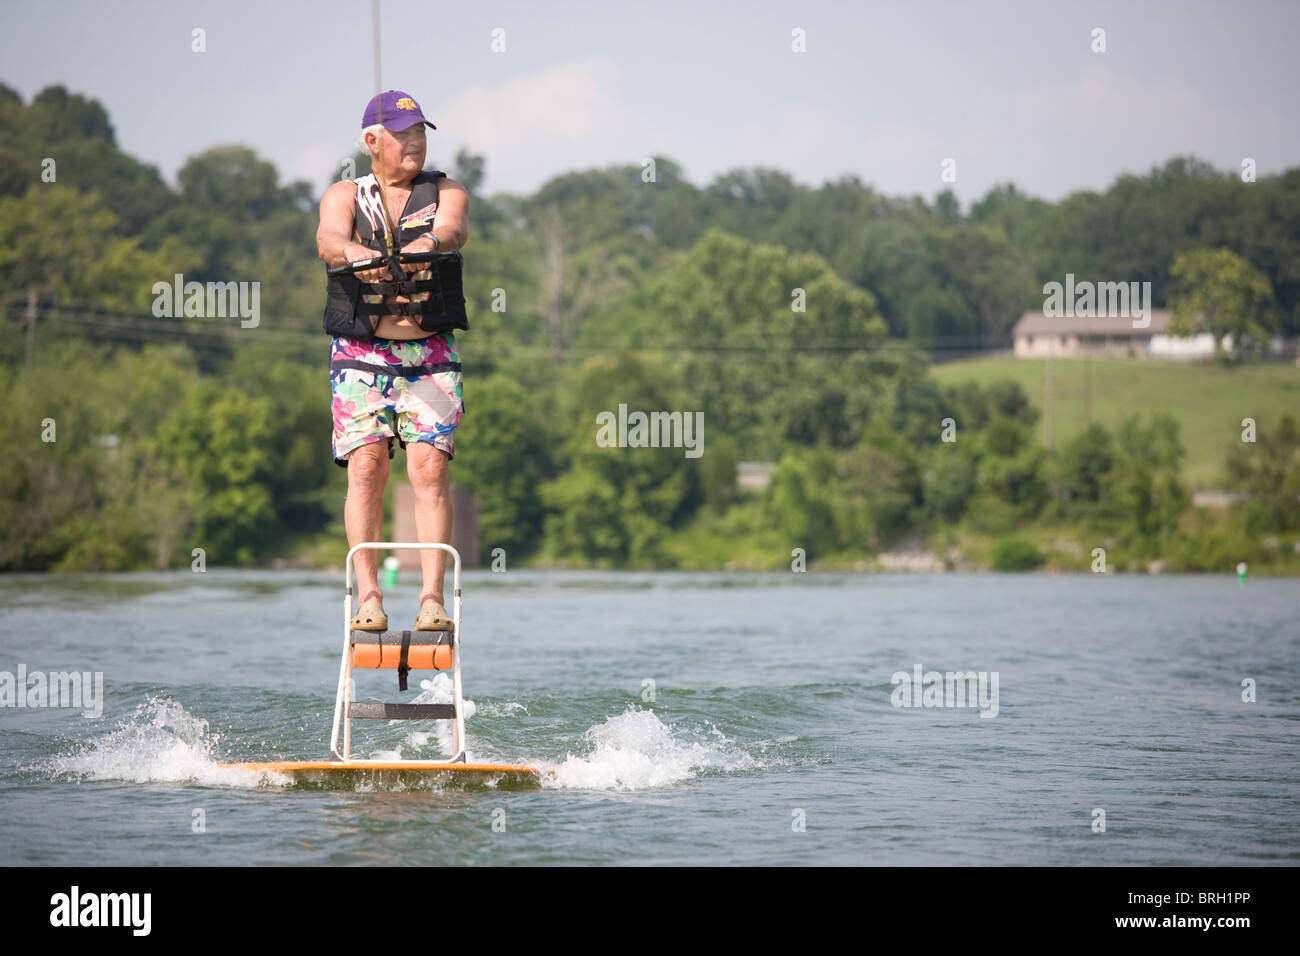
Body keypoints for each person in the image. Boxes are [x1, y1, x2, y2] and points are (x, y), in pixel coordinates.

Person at [315, 90, 469, 633]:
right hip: (362, 355)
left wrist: (427, 245)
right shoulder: (346, 193)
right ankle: (370, 597)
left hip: (428, 353)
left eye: (420, 133)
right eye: (403, 134)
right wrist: (360, 256)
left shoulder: (445, 189)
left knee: (428, 469)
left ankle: (431, 599)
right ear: (371, 141)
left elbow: (452, 229)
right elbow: (329, 240)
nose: (415, 144)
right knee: (367, 466)